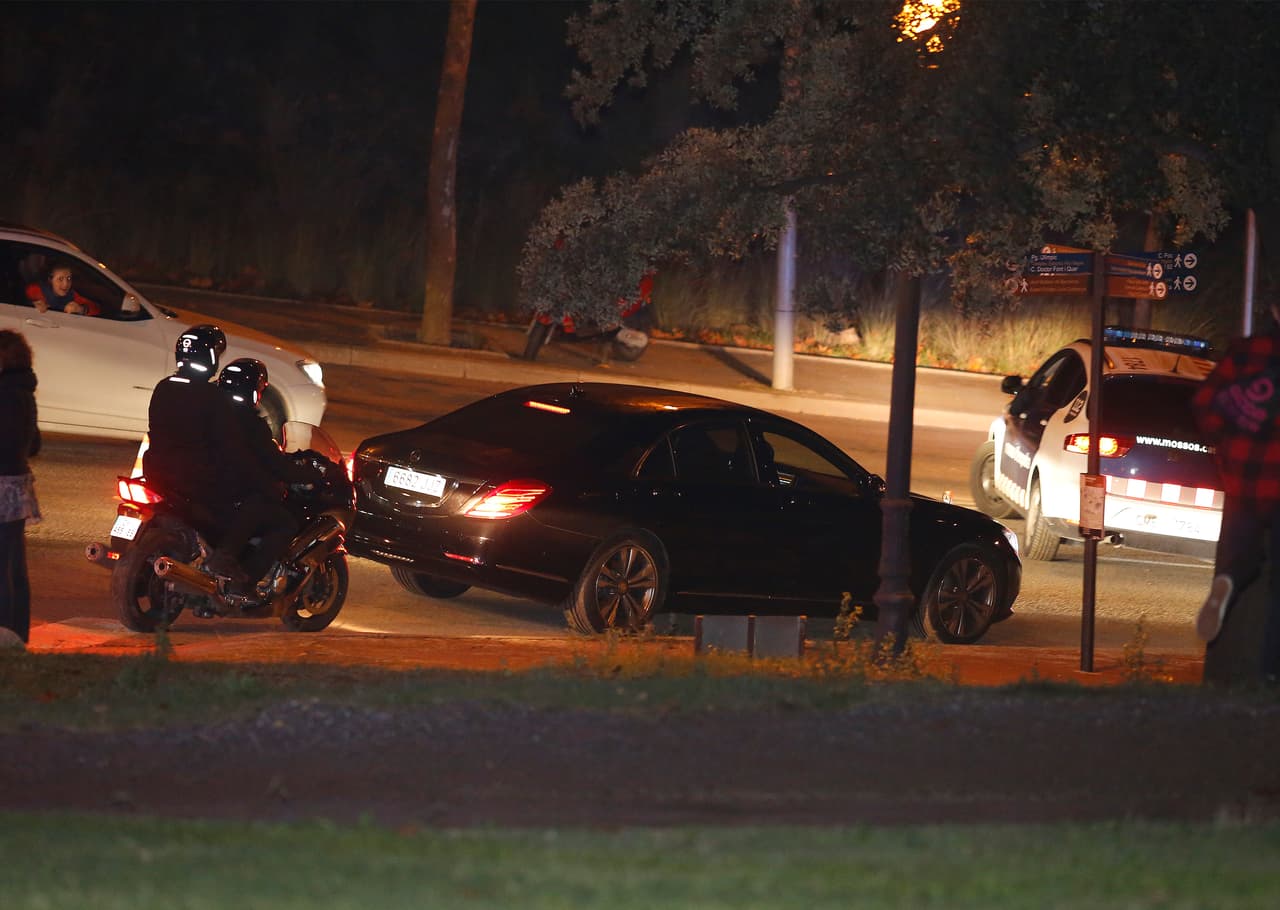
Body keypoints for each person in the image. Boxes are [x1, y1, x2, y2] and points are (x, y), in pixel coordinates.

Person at [1191, 298, 1280, 683]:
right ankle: (1270, 672)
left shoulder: (1247, 351)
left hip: (1242, 480)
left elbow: (1205, 404)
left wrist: (1224, 443)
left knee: (1242, 550)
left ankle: (1228, 579)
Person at [143, 324, 261, 587]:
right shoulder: (212, 396)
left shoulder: (164, 386)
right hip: (194, 479)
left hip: (157, 471)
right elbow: (232, 446)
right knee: (243, 508)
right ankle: (224, 559)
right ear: (210, 356)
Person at [215, 358, 320, 583]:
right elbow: (277, 466)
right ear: (253, 391)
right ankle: (244, 581)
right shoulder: (250, 424)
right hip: (231, 494)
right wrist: (310, 475)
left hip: (202, 484)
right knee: (285, 524)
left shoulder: (209, 412)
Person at [0, 330, 42, 646]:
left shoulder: (5, 393)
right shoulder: (23, 392)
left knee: (4, 566)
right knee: (14, 564)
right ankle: (17, 635)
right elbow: (34, 442)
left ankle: (7, 635)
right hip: (17, 485)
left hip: (2, 483)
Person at [25, 264, 99, 316]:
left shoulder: (72, 295)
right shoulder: (35, 290)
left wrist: (80, 309)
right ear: (50, 280)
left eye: (69, 279)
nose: (66, 284)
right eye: (60, 279)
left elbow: (95, 309)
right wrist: (33, 304)